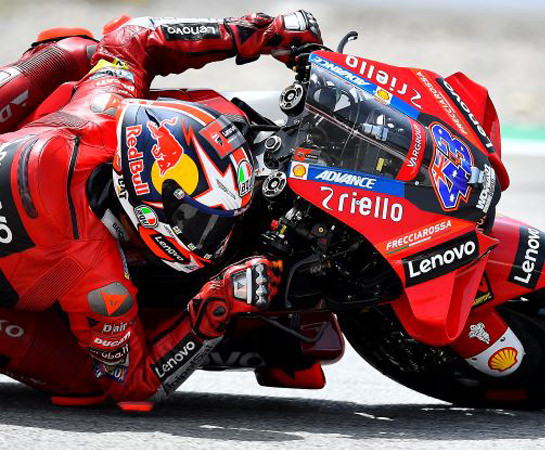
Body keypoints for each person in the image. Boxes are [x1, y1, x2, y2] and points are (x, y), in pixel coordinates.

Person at [0, 11, 322, 410]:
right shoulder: (98, 281)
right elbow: (134, 384)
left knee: (75, 50)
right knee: (85, 381)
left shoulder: (105, 103)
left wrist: (254, 33)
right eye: (200, 221)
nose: (214, 235)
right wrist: (215, 308)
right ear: (148, 212)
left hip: (40, 163)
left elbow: (133, 36)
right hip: (28, 267)